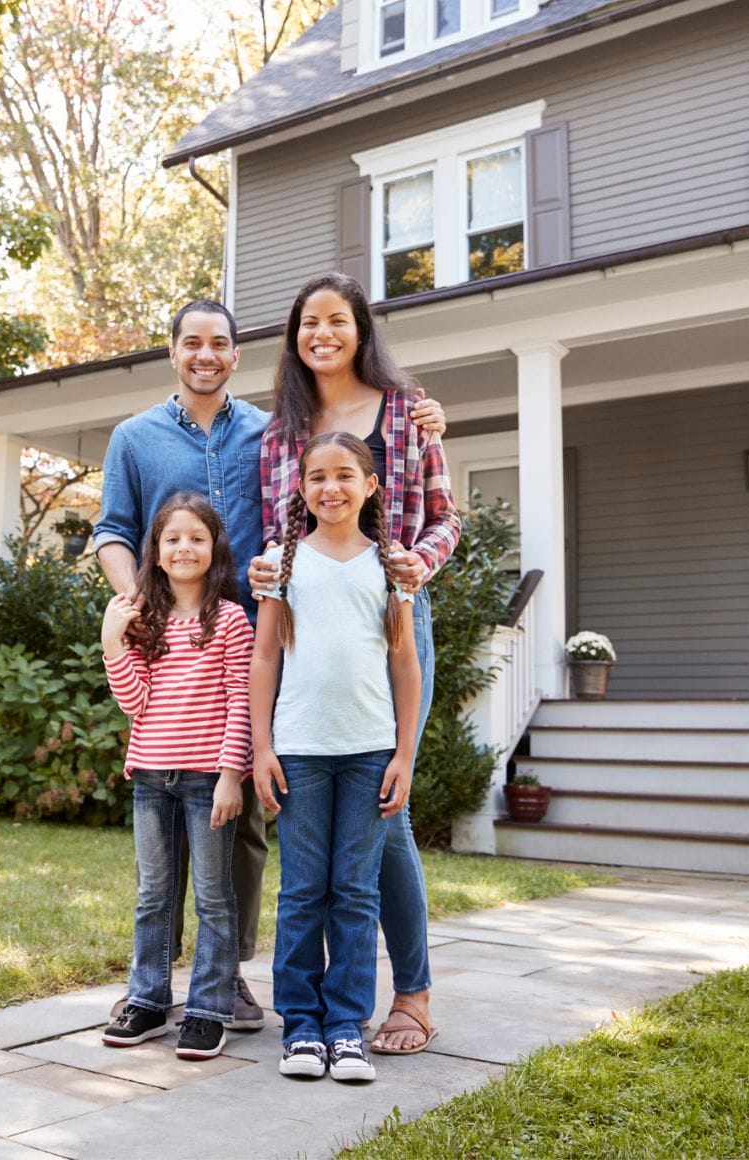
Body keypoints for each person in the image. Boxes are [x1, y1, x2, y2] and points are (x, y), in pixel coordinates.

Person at [94, 299, 446, 1032]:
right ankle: (197, 983)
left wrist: (416, 562)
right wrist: (140, 610)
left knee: (366, 810)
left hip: (348, 622)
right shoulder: (239, 432)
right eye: (191, 341)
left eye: (220, 342)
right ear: (170, 350)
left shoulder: (366, 417)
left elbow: (433, 513)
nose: (205, 354)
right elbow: (122, 532)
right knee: (243, 804)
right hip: (233, 639)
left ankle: (397, 993)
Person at [250, 271, 460, 1056]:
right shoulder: (280, 432)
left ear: (360, 329)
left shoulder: (409, 410)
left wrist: (416, 565)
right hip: (307, 627)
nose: (323, 334)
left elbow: (445, 518)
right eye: (309, 322)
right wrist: (263, 577)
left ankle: (412, 995)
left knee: (388, 805)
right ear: (295, 336)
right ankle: (322, 1010)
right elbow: (273, 538)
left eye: (338, 321)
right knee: (318, 861)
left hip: (394, 614)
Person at [250, 432, 421, 1082]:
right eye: (317, 476)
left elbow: (404, 664)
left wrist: (404, 754)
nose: (331, 487)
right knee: (301, 893)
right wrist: (263, 747)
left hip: (369, 753)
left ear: (371, 485)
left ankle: (347, 1027)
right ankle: (301, 1027)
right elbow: (264, 658)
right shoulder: (282, 563)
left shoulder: (391, 568)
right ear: (301, 488)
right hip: (300, 752)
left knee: (353, 892)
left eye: (345, 475)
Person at [100, 492, 252, 1061]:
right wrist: (112, 639)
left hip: (206, 777)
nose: (184, 547)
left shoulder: (231, 619)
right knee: (153, 895)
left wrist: (230, 775)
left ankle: (209, 1008)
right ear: (156, 554)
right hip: (150, 777)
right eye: (172, 539)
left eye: (197, 537)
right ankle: (148, 998)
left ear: (214, 549)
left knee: (213, 896)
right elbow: (134, 701)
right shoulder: (144, 621)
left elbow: (240, 700)